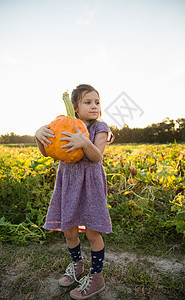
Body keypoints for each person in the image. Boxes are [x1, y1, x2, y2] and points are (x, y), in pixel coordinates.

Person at [35, 84, 114, 299]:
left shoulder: (100, 127)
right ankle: (76, 266)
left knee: (92, 231)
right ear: (75, 107)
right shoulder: (62, 124)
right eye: (88, 102)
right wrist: (38, 136)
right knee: (68, 229)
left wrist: (84, 141)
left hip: (91, 185)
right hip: (68, 183)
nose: (94, 106)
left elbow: (97, 156)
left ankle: (96, 277)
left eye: (97, 102)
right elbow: (48, 152)